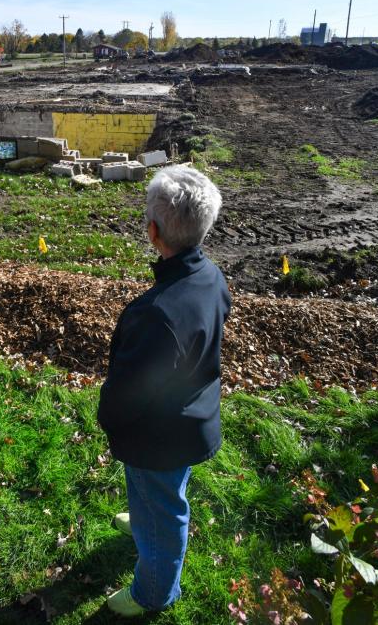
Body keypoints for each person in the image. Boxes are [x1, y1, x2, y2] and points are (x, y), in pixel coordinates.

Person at [97, 164, 230, 616]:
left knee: (165, 503)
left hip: (160, 437)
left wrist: (107, 418)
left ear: (154, 231)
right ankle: (146, 520)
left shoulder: (155, 314)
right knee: (160, 492)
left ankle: (154, 592)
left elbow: (129, 395)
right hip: (192, 415)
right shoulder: (210, 276)